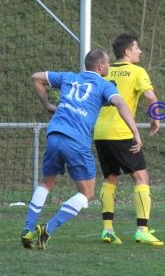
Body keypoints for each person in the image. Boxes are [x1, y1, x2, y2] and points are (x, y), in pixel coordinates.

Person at [20, 49, 142, 250]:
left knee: (46, 183)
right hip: (76, 140)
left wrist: (48, 104)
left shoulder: (70, 77)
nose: (109, 67)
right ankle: (48, 229)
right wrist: (135, 133)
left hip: (54, 134)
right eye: (108, 64)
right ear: (101, 67)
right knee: (86, 193)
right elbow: (120, 103)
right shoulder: (104, 85)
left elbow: (37, 77)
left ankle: (28, 228)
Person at [93, 33, 163, 246]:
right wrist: (156, 118)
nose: (140, 51)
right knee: (141, 178)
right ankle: (142, 229)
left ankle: (107, 230)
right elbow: (150, 96)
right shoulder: (137, 71)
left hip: (100, 131)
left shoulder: (104, 70)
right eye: (137, 48)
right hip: (122, 132)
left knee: (110, 178)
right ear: (127, 52)